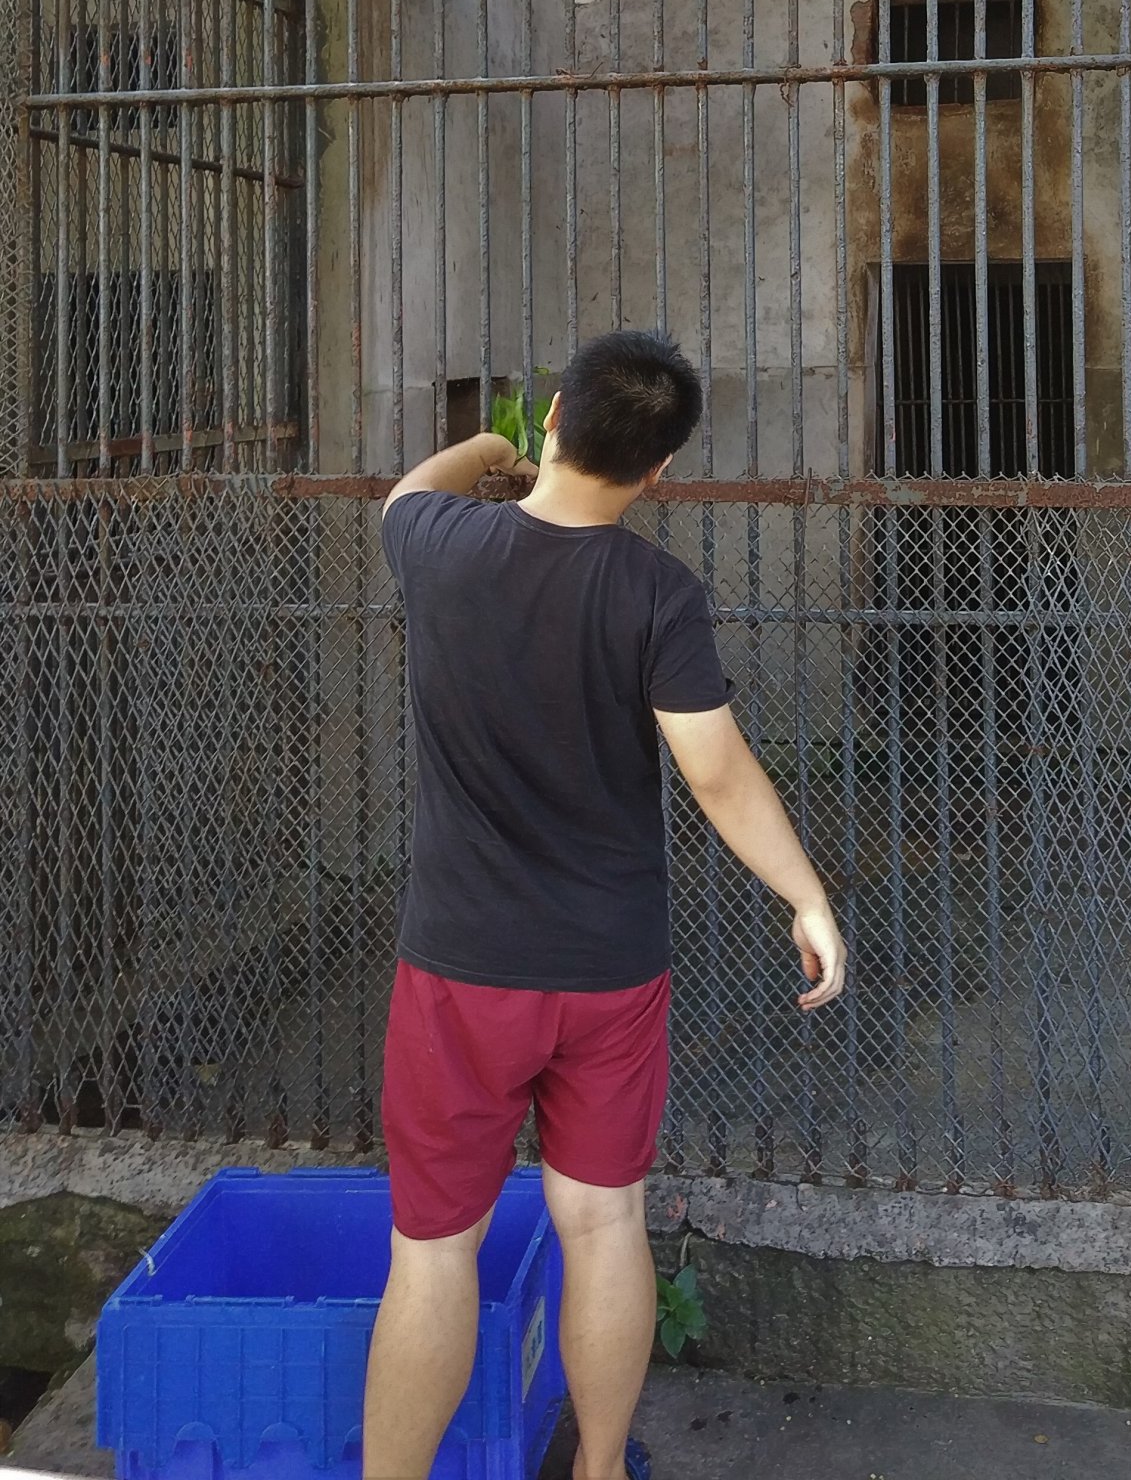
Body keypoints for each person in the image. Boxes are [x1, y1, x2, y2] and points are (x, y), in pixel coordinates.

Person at [362, 330, 847, 1480]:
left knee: (434, 1254)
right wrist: (806, 897)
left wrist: (489, 442)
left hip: (460, 970)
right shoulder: (658, 596)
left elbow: (402, 491)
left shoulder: (439, 544)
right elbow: (717, 773)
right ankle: (595, 1471)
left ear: (555, 425)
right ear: (660, 471)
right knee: (601, 1225)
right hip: (608, 971)